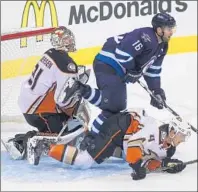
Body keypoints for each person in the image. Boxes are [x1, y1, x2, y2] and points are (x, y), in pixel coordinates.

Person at [62, 12, 177, 141]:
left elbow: (153, 71)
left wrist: (156, 91)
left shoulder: (162, 46)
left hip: (117, 69)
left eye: (173, 29)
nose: (172, 32)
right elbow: (122, 53)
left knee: (116, 107)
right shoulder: (145, 36)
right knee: (113, 104)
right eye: (169, 29)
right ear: (159, 29)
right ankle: (81, 90)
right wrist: (133, 70)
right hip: (108, 63)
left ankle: (91, 137)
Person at [2, 26, 91, 161]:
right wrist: (74, 107)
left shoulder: (50, 53)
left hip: (29, 102)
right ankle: (28, 143)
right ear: (59, 42)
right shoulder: (67, 64)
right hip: (38, 111)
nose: (70, 41)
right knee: (65, 136)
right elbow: (62, 99)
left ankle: (20, 142)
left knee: (65, 126)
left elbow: (54, 78)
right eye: (66, 39)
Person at [27, 108, 191, 180]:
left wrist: (165, 165)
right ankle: (43, 146)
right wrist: (136, 165)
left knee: (122, 155)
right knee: (84, 161)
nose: (182, 140)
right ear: (172, 131)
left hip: (125, 137)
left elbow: (145, 160)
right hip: (119, 127)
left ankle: (86, 140)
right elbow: (134, 146)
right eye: (182, 136)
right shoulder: (153, 129)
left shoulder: (168, 150)